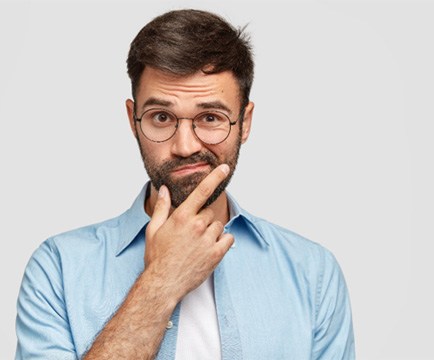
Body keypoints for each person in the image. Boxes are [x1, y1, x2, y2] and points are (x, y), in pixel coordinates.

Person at [15, 9, 355, 360]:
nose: (185, 145)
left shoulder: (312, 272)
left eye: (210, 118)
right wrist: (161, 282)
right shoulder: (58, 268)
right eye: (161, 118)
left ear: (245, 123)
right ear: (133, 122)